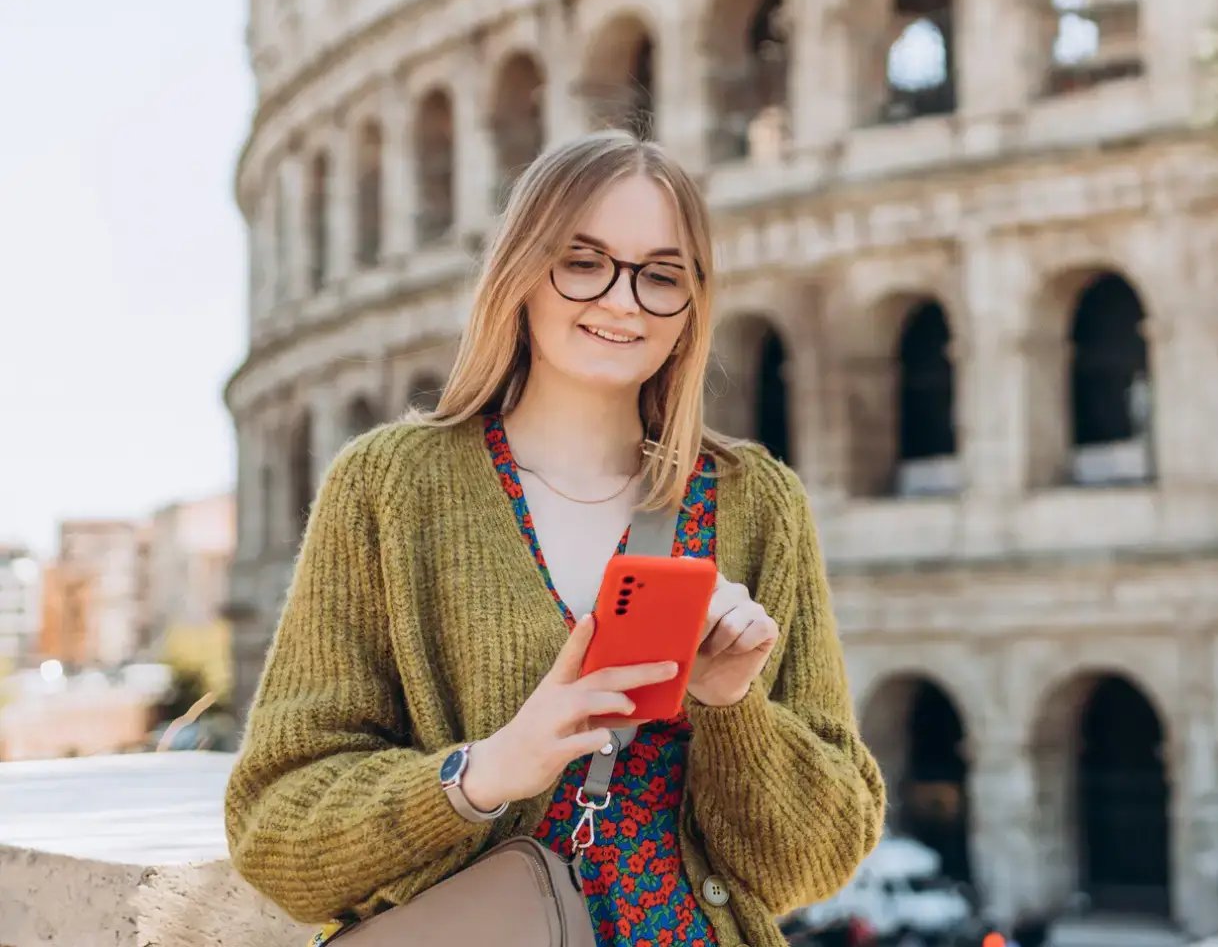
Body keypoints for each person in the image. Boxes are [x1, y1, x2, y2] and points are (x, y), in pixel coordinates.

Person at [224, 130, 886, 946]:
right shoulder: (392, 484)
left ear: (692, 307)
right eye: (583, 261)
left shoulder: (757, 503)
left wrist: (732, 706)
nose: (622, 300)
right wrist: (483, 773)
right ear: (523, 274)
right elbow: (274, 828)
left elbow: (810, 864)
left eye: (661, 276)